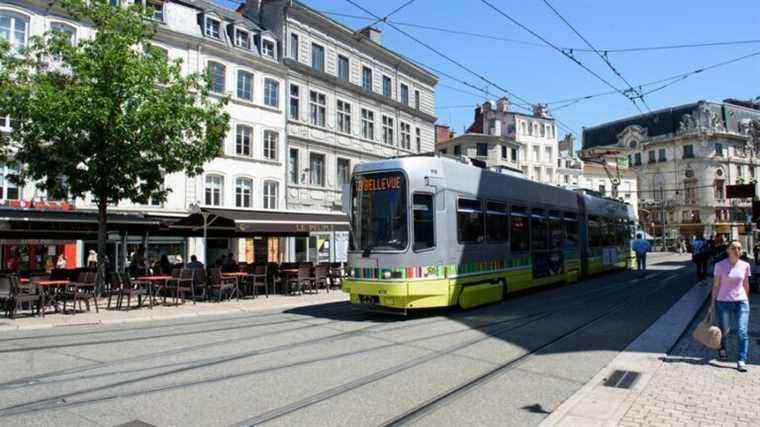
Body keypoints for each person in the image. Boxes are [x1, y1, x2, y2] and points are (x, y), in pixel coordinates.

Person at [712, 240, 751, 372]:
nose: (737, 251)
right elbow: (716, 285)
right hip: (723, 301)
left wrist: (746, 299)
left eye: (739, 248)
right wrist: (712, 303)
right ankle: (722, 348)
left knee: (742, 331)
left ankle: (741, 359)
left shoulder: (745, 265)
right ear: (728, 250)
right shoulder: (719, 265)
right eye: (734, 248)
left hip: (741, 301)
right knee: (724, 330)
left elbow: (746, 284)